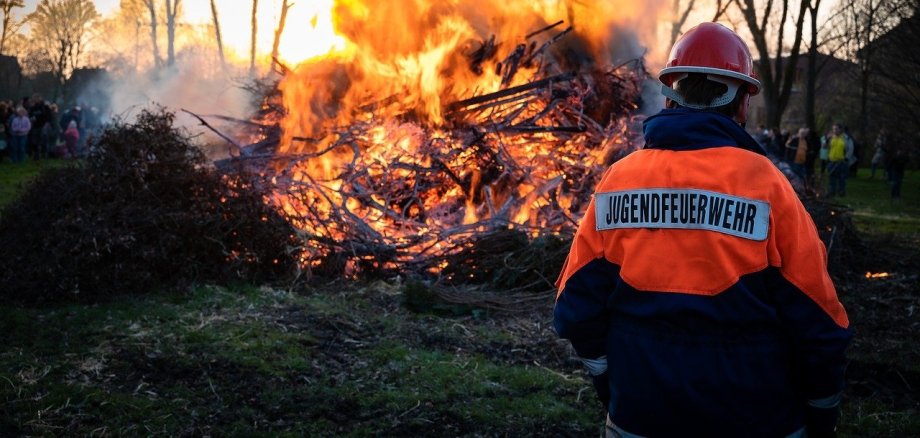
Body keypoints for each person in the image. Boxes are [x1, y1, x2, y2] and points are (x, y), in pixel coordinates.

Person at [553, 22, 851, 438]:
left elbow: (573, 309)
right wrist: (821, 417)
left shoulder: (619, 180)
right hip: (755, 420)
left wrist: (612, 387)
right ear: (743, 103)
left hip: (640, 417)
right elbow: (821, 325)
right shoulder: (768, 186)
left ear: (672, 95)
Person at [826, 124, 850, 197]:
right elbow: (825, 147)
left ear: (840, 130)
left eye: (836, 129)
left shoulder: (845, 138)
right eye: (833, 129)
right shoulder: (831, 138)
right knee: (832, 177)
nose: (834, 130)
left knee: (841, 178)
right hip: (832, 161)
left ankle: (841, 192)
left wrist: (846, 158)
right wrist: (827, 140)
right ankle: (832, 191)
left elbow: (848, 149)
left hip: (841, 161)